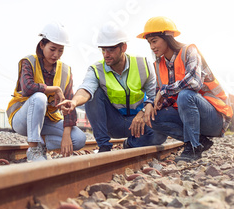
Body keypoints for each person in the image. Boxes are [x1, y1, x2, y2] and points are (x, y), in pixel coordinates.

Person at [57, 23, 167, 152]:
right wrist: (74, 102)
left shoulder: (143, 64)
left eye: (111, 49)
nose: (106, 54)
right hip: (113, 123)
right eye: (103, 49)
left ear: (123, 47)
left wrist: (142, 113)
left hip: (138, 121)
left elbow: (153, 96)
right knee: (94, 94)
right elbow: (86, 89)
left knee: (160, 133)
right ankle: (104, 147)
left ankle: (130, 144)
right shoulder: (96, 69)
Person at [137, 16, 233, 161]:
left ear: (167, 37)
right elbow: (163, 98)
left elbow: (194, 82)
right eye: (149, 42)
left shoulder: (189, 51)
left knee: (185, 95)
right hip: (189, 117)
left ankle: (193, 148)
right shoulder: (158, 65)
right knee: (153, 116)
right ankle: (199, 141)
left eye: (154, 41)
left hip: (215, 116)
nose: (152, 47)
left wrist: (163, 91)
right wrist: (149, 106)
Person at [6, 22, 86, 162]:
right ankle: (34, 149)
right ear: (42, 45)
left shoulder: (66, 71)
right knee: (39, 97)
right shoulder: (29, 62)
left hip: (46, 122)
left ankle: (41, 143)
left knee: (78, 139)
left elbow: (70, 106)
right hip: (22, 119)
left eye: (60, 50)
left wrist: (66, 135)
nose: (56, 55)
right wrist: (55, 89)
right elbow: (28, 88)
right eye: (52, 49)